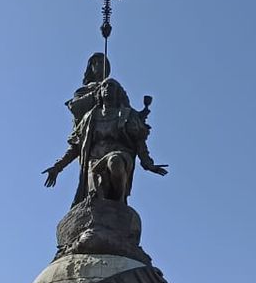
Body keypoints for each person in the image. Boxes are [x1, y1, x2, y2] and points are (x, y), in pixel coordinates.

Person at [42, 52, 167, 205]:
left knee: (115, 162)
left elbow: (139, 141)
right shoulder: (90, 117)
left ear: (118, 92)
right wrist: (57, 168)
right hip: (94, 161)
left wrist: (148, 164)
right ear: (99, 93)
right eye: (104, 86)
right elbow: (75, 147)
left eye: (111, 86)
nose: (107, 88)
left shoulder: (125, 115)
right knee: (95, 196)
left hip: (120, 155)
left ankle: (119, 203)